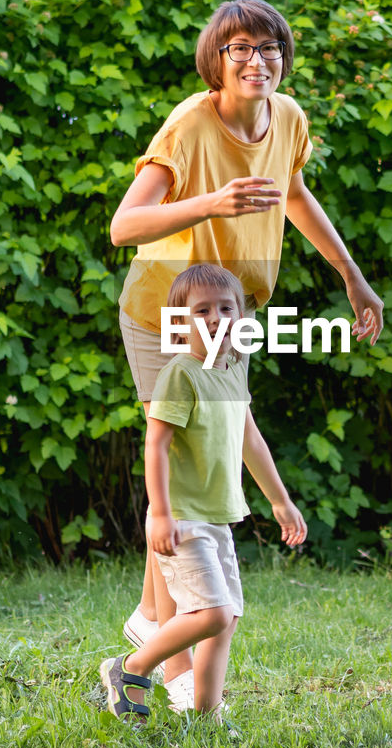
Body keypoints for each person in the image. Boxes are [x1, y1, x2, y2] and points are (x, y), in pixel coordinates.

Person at [110, 0, 383, 709]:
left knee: (220, 448)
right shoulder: (192, 124)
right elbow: (124, 225)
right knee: (189, 460)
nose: (257, 61)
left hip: (231, 315)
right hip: (167, 314)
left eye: (268, 48)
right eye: (240, 49)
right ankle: (166, 653)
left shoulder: (288, 118)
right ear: (216, 61)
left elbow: (295, 194)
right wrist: (211, 204)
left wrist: (352, 277)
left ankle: (152, 617)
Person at [100, 264, 307, 720]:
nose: (216, 318)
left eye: (226, 308)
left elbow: (251, 439)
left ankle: (206, 714)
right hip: (184, 516)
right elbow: (156, 442)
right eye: (202, 311)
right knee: (211, 614)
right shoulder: (181, 374)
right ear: (180, 322)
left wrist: (280, 500)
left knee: (226, 618)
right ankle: (130, 667)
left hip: (218, 516)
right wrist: (159, 512)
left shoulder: (232, 371)